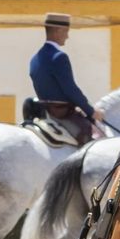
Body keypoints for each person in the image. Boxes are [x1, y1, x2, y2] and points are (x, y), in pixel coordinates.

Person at [28, 12, 102, 145]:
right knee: (93, 140)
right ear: (58, 31)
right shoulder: (59, 57)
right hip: (62, 114)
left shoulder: (34, 58)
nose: (67, 37)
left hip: (44, 112)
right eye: (66, 32)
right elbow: (70, 90)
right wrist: (90, 111)